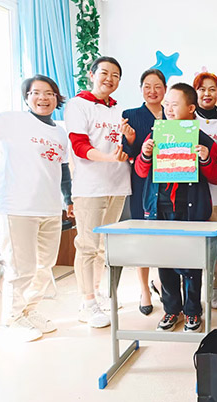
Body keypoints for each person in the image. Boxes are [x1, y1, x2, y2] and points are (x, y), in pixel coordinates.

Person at [0, 75, 72, 342]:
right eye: (36, 93)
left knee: (44, 266)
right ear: (27, 97)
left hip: (50, 208)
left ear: (56, 98)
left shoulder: (59, 132)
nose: (42, 98)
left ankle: (29, 310)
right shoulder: (13, 121)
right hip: (17, 208)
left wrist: (69, 199)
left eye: (49, 93)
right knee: (20, 268)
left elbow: (63, 169)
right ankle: (12, 318)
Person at [135, 83, 217, 332]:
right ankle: (171, 309)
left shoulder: (203, 139)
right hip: (160, 208)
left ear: (191, 108)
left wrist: (205, 158)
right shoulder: (155, 135)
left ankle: (193, 311)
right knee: (165, 261)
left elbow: (216, 177)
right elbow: (141, 171)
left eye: (175, 104)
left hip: (190, 210)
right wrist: (145, 154)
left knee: (192, 263)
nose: (169, 109)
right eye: (167, 104)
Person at [64, 56, 133, 328]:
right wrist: (109, 159)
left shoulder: (119, 110)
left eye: (115, 75)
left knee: (104, 245)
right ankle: (87, 303)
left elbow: (125, 145)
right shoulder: (77, 105)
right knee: (87, 245)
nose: (109, 79)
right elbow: (79, 146)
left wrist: (129, 141)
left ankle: (96, 293)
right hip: (90, 187)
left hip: (118, 184)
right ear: (92, 74)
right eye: (104, 73)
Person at [122, 68, 167, 316]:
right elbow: (127, 153)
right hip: (142, 182)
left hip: (169, 184)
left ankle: (161, 282)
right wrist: (130, 140)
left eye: (158, 86)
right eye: (147, 86)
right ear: (141, 89)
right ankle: (144, 290)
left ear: (165, 89)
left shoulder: (172, 114)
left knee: (164, 236)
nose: (152, 91)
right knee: (142, 235)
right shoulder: (130, 115)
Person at [194, 72, 217, 310]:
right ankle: (192, 289)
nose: (207, 94)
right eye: (202, 89)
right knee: (194, 242)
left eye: (212, 89)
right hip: (193, 193)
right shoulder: (186, 121)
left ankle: (213, 287)